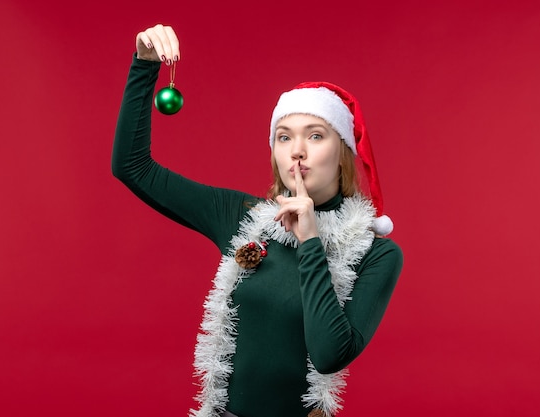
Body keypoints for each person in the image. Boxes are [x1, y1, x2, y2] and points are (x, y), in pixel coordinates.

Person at [112, 23, 403, 417]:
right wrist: (144, 65)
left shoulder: (376, 253)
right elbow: (133, 167)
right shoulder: (243, 218)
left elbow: (329, 355)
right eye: (284, 137)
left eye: (315, 136)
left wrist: (311, 242)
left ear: (343, 151)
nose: (297, 151)